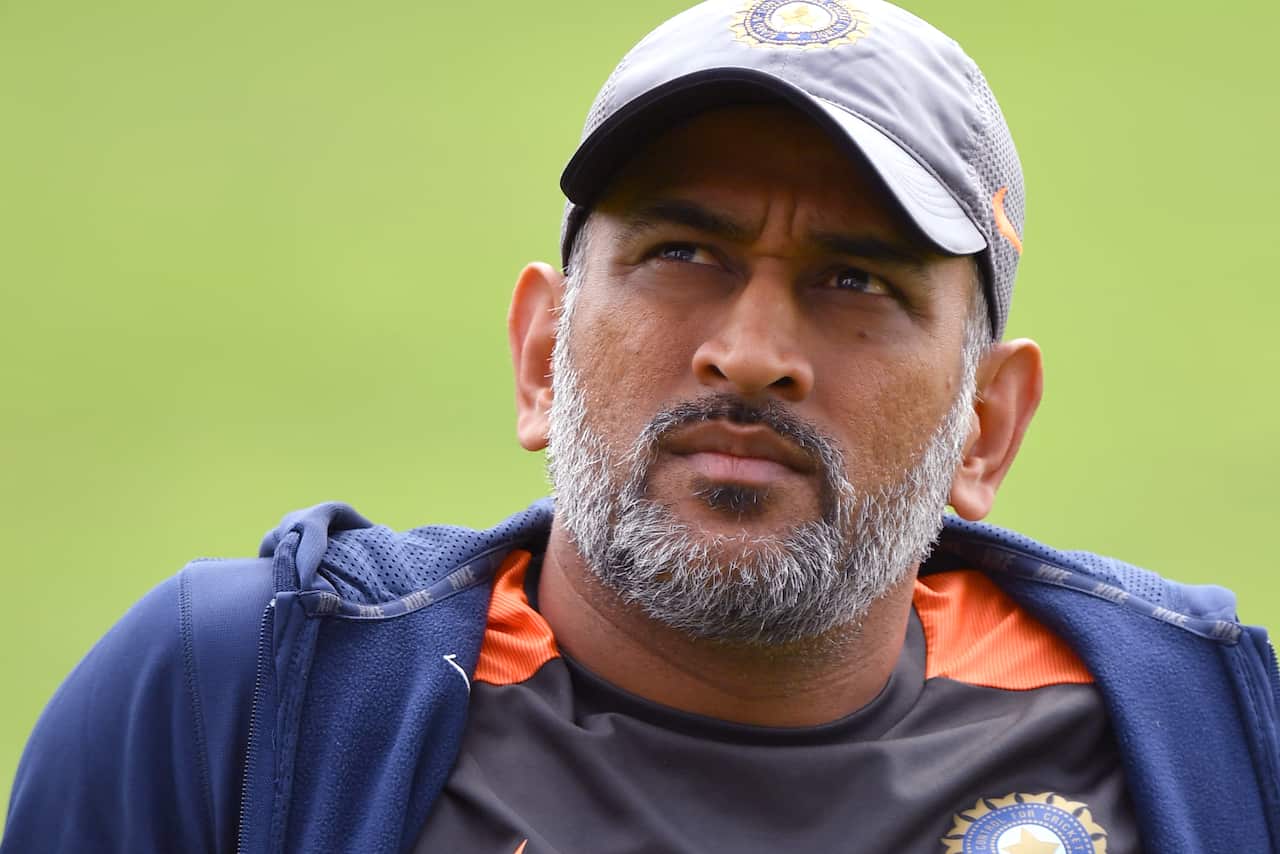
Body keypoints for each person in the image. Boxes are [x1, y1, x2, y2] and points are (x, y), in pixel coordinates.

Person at [4, 0, 1277, 851]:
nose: (753, 350)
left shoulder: (1204, 748)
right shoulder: (240, 701)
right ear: (542, 353)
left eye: (855, 282)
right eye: (680, 251)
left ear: (984, 427)